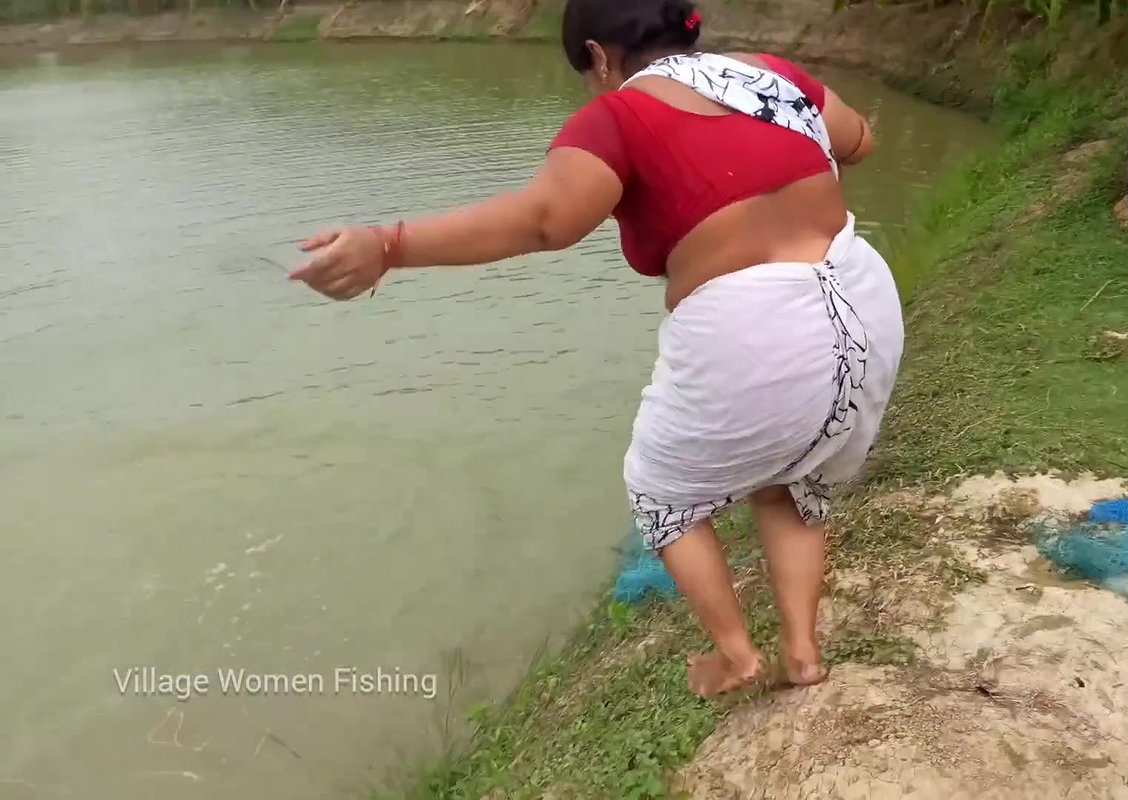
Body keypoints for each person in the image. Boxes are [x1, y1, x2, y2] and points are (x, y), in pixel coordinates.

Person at [289, 0, 904, 698]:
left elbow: (548, 221)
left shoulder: (618, 116)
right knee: (791, 477)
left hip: (754, 325)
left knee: (661, 492)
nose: (593, 85)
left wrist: (389, 245)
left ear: (601, 55)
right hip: (861, 297)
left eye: (589, 72)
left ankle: (736, 654)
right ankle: (801, 651)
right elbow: (857, 142)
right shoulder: (774, 75)